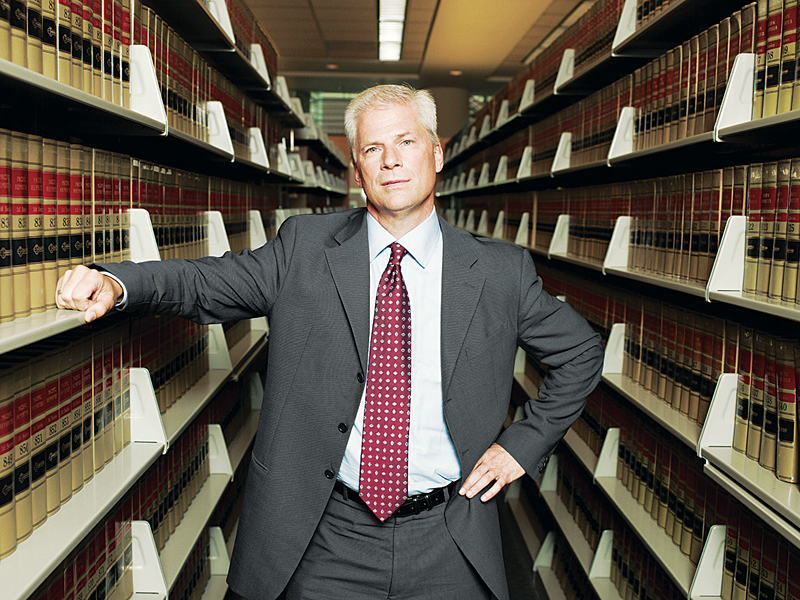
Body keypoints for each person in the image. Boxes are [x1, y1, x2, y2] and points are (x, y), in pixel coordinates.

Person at [55, 84, 604, 600]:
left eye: (406, 142)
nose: (390, 159)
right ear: (358, 170)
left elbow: (580, 353)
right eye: (373, 148)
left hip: (449, 536)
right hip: (327, 533)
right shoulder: (304, 247)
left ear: (436, 155)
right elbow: (206, 282)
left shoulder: (498, 271)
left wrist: (522, 445)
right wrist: (117, 281)